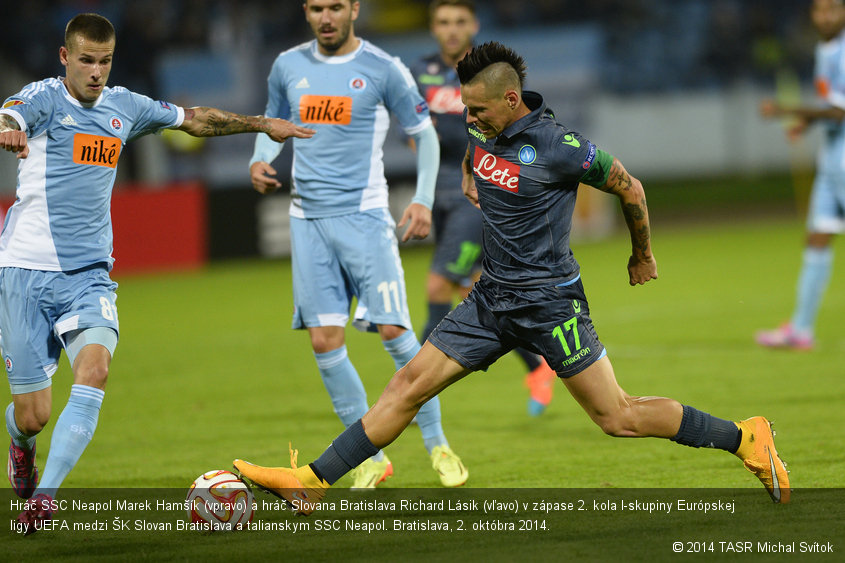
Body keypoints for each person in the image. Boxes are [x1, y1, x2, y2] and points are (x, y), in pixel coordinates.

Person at [234, 42, 791, 511]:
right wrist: (472, 179)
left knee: (618, 417)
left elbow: (631, 187)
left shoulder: (560, 147)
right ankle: (308, 481)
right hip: (490, 300)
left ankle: (746, 439)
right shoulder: (481, 134)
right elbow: (474, 155)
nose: (469, 120)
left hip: (552, 304)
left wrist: (640, 254)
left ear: (510, 98)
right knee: (406, 387)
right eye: (464, 112)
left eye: (477, 110)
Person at [0, 13, 315, 534]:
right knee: (33, 414)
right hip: (23, 274)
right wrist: (11, 131)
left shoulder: (126, 106)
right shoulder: (44, 99)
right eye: (85, 61)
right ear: (64, 58)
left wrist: (262, 124)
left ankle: (45, 501)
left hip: (89, 275)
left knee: (95, 370)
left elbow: (195, 119)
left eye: (104, 61)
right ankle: (21, 443)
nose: (96, 72)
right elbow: (12, 112)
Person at [247, 0, 467, 490]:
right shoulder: (288, 66)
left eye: (336, 7)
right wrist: (260, 158)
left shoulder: (382, 68)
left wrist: (424, 201)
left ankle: (438, 444)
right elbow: (272, 124)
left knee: (394, 332)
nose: (326, 17)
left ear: (354, 9)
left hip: (365, 218)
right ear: (307, 11)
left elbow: (425, 137)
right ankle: (371, 458)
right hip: (307, 220)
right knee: (324, 340)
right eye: (317, 8)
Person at [412, 0, 557, 416]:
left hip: (475, 189)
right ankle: (537, 365)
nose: (452, 29)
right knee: (473, 289)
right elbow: (409, 124)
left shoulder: (489, 74)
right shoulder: (417, 73)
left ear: (473, 25)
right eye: (443, 22)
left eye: (460, 21)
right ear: (433, 27)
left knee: (439, 284)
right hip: (435, 189)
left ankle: (416, 385)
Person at [755, 0, 845, 350]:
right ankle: (801, 329)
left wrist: (785, 110)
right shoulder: (827, 48)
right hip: (832, 164)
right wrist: (805, 124)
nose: (825, 17)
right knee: (817, 239)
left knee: (818, 239)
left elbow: (839, 112)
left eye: (833, 10)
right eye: (819, 10)